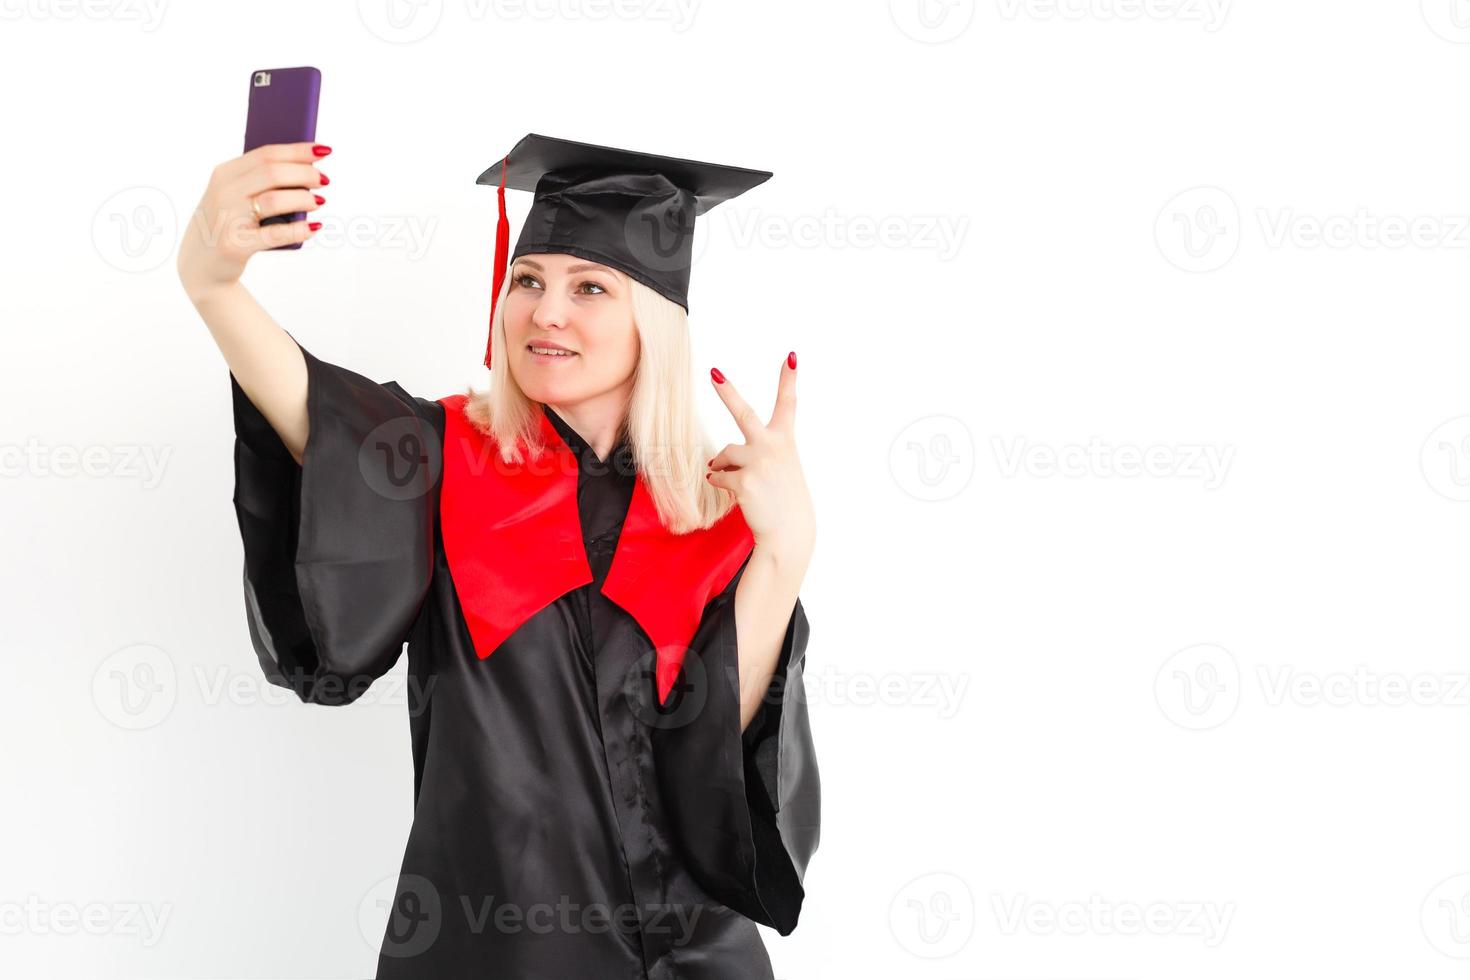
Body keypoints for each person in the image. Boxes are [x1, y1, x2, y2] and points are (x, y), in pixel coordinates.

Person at [176, 132, 820, 979]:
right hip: (494, 955)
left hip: (697, 962)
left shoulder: (717, 507)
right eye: (528, 281)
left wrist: (783, 554)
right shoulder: (443, 461)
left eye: (590, 287)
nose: (545, 312)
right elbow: (307, 404)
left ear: (654, 325)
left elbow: (717, 782)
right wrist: (212, 283)